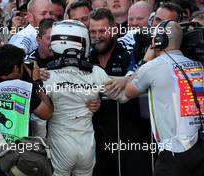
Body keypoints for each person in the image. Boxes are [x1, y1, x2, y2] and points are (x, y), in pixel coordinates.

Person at [106, 20, 204, 176]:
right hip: (199, 146)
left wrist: (147, 57)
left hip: (175, 150)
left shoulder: (153, 66)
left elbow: (129, 91)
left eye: (153, 36)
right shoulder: (198, 64)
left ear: (159, 40)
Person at [44, 19, 127, 176]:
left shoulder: (45, 75)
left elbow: (39, 119)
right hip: (87, 147)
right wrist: (137, 72)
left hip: (59, 145)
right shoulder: (97, 72)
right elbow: (123, 97)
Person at [89, 8, 152, 176]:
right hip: (97, 142)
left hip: (133, 138)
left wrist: (127, 79)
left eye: (102, 31)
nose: (97, 36)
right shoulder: (86, 59)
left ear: (114, 29)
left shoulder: (130, 53)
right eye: (93, 31)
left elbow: (147, 80)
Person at [0, 44, 53, 175]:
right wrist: (37, 81)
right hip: (14, 161)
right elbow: (47, 113)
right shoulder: (25, 89)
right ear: (16, 68)